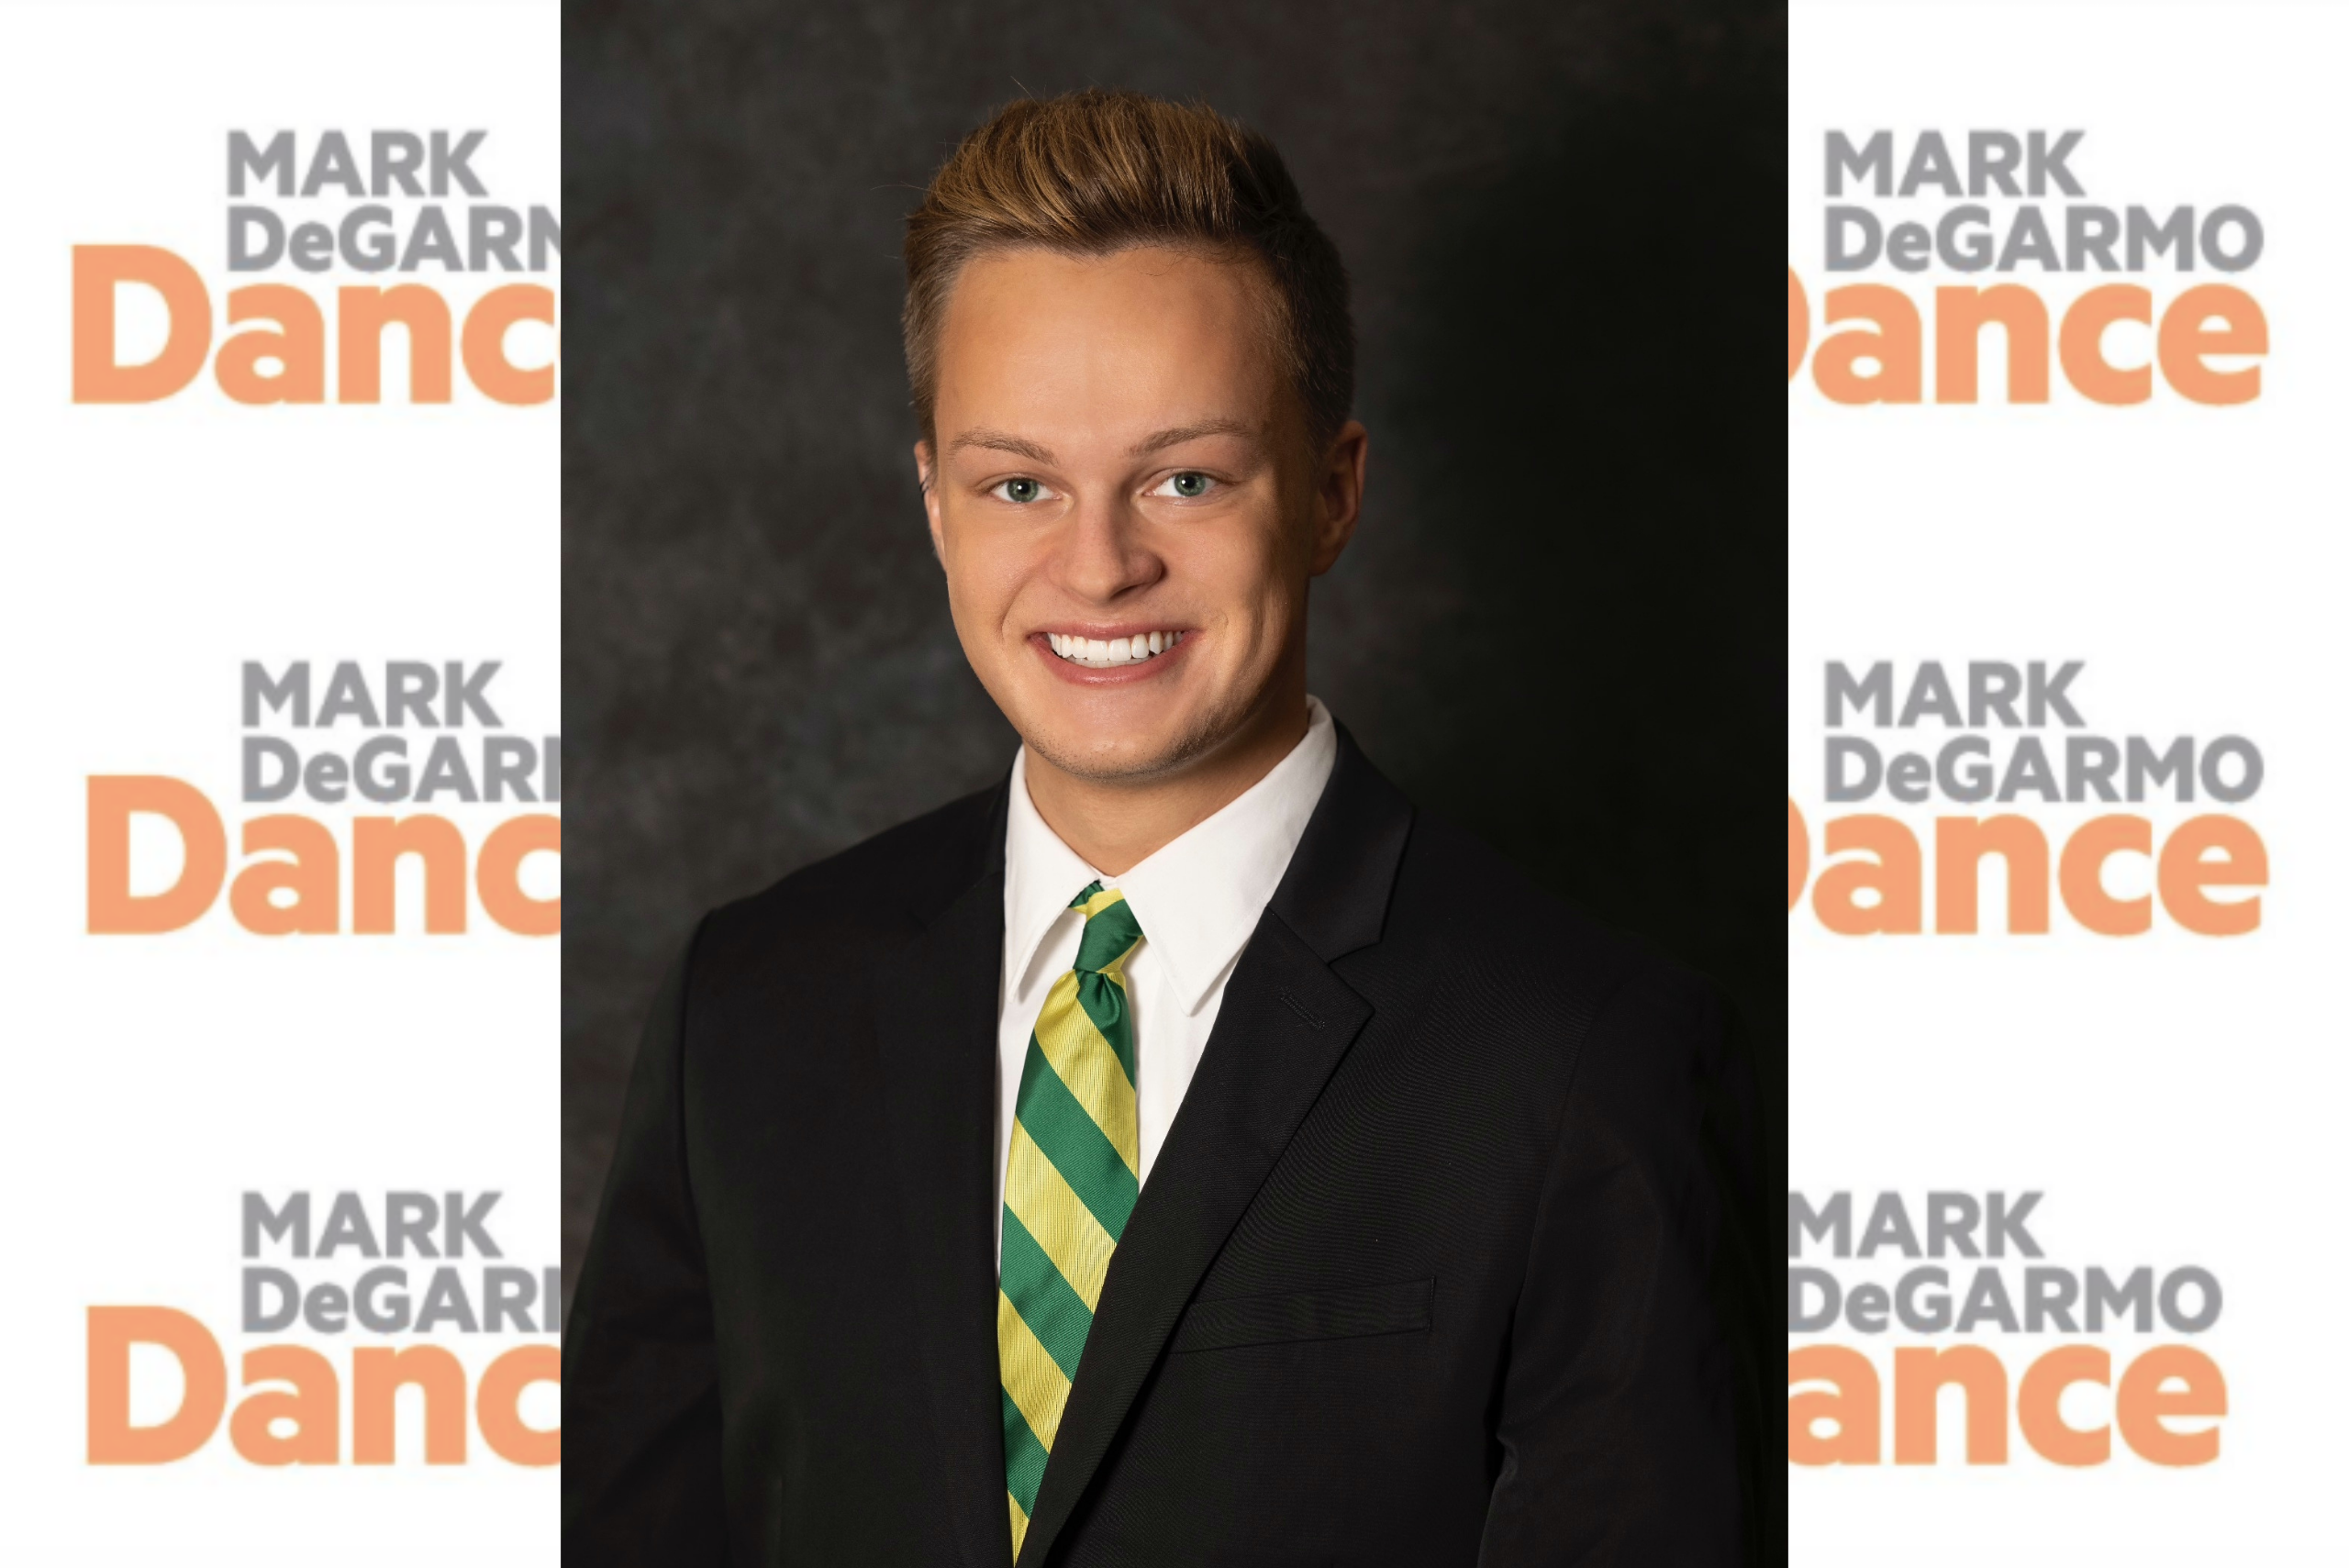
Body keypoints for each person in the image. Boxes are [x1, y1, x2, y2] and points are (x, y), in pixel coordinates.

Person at [566, 88, 1765, 1566]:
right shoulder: (747, 1012)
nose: (1098, 566)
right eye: (1019, 485)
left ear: (1331, 495)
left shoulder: (1587, 1058)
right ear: (935, 503)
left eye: (1185, 479)